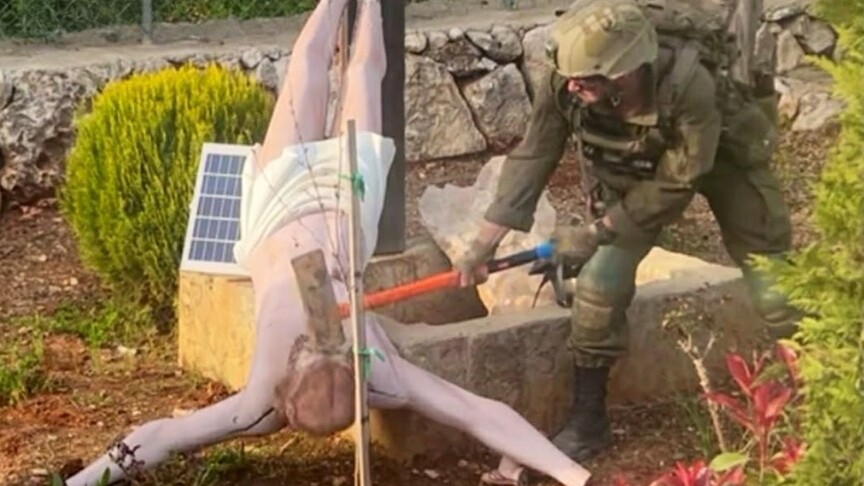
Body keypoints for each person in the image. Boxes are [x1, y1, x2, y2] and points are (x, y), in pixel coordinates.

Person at [62, 1, 592, 485]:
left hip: (280, 206)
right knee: (348, 72)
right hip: (343, 201)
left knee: (321, 71)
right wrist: (572, 476)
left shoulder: (280, 397)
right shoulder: (371, 379)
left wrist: (576, 478)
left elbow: (164, 435)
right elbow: (479, 412)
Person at [455, 0, 798, 464]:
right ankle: (589, 421)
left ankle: (813, 383)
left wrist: (596, 230)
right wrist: (483, 244)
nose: (572, 86)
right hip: (634, 173)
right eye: (570, 77)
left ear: (624, 72)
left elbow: (679, 180)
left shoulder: (689, 84)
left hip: (721, 160)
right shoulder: (567, 80)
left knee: (771, 277)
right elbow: (534, 155)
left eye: (585, 79)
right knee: (599, 284)